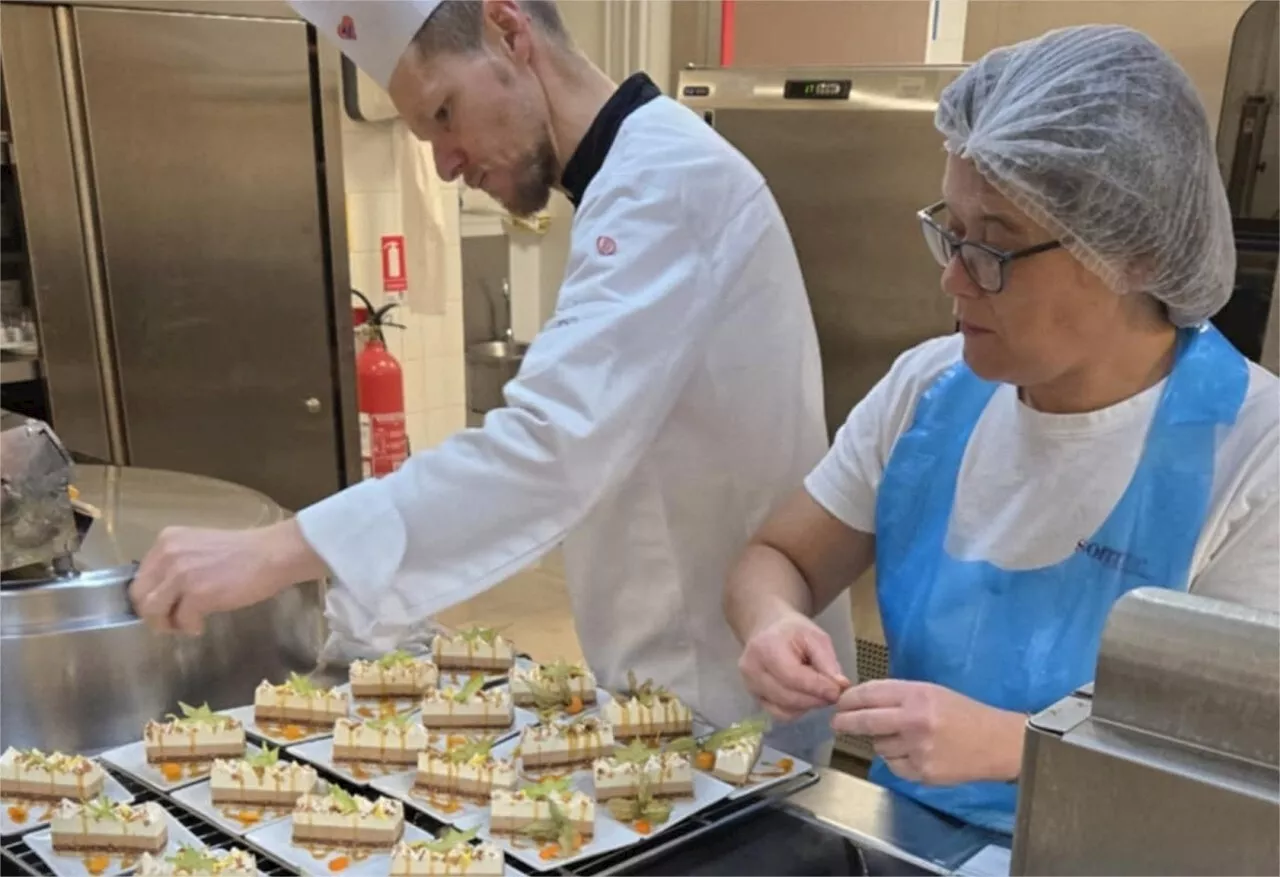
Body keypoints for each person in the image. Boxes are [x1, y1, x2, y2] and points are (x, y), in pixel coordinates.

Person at [127, 0, 857, 763]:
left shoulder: (667, 184)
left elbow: (545, 447)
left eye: (445, 113)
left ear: (511, 32)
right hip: (674, 696)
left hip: (730, 707)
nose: (445, 162)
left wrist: (275, 551)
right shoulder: (632, 181)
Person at [724, 23, 1279, 833]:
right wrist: (772, 621)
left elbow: (1246, 754)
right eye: (951, 230)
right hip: (907, 837)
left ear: (1129, 253)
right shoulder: (928, 390)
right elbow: (777, 558)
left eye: (994, 247)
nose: (953, 277)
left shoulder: (1253, 450)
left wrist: (1017, 745)